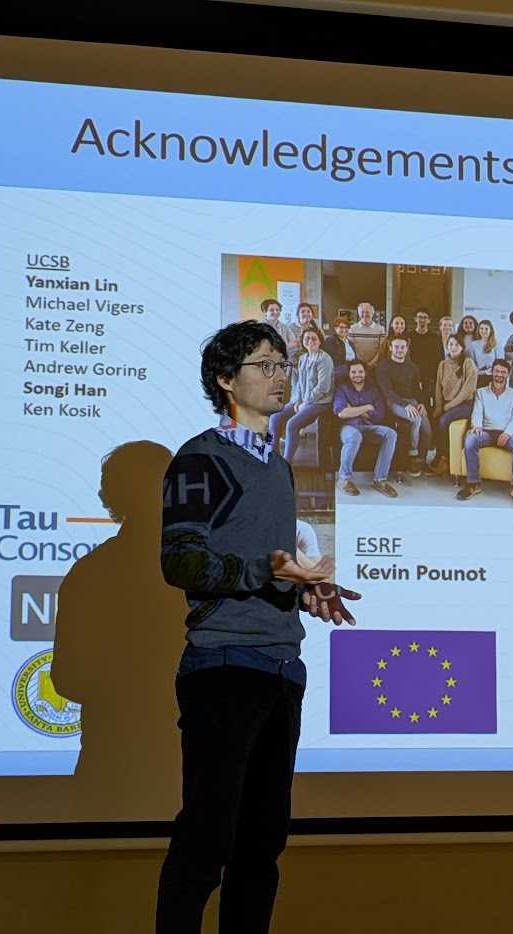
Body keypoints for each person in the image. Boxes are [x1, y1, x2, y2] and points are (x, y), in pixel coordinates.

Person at [155, 319, 360, 934]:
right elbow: (180, 562)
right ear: (225, 380)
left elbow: (269, 568)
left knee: (261, 847)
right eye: (264, 365)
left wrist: (307, 589)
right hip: (223, 668)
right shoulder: (201, 458)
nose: (279, 376)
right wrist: (268, 570)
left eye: (282, 364)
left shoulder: (280, 468)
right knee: (207, 838)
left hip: (282, 670)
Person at [456, 359, 513, 509]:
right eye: (497, 371)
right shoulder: (481, 392)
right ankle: (473, 484)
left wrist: (508, 433)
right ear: (492, 372)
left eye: (503, 372)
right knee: (470, 440)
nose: (499, 375)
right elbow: (477, 411)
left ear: (508, 374)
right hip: (486, 432)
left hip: (508, 434)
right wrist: (477, 426)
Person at [332, 361, 399, 497]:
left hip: (369, 426)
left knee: (391, 433)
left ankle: (380, 480)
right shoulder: (342, 389)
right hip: (349, 426)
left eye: (360, 372)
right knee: (354, 436)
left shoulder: (374, 391)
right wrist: (367, 407)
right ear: (349, 374)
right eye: (354, 372)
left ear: (365, 373)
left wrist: (353, 410)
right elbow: (342, 413)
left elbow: (379, 416)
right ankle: (344, 480)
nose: (357, 375)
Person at [268, 328, 335, 462]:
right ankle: (274, 458)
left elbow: (323, 387)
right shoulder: (303, 358)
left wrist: (305, 403)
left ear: (320, 341)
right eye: (307, 339)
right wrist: (297, 400)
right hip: (303, 400)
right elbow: (299, 383)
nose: (310, 341)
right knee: (275, 418)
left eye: (314, 338)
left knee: (292, 424)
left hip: (320, 402)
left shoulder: (325, 359)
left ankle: (287, 462)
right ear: (303, 342)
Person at [374, 335, 435, 477]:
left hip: (411, 400)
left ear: (407, 349)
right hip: (393, 401)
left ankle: (421, 460)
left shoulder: (412, 367)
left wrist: (421, 404)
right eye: (396, 347)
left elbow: (417, 390)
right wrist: (405, 405)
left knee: (427, 428)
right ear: (390, 348)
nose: (399, 350)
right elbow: (387, 392)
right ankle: (412, 457)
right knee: (415, 419)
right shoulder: (383, 367)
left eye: (402, 347)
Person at [430, 334, 478, 475]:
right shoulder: (443, 364)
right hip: (447, 404)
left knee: (444, 420)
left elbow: (468, 389)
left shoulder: (468, 363)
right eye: (451, 344)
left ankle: (446, 459)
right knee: (434, 418)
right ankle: (439, 452)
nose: (453, 347)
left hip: (465, 404)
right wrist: (438, 407)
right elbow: (438, 389)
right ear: (447, 346)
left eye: (457, 345)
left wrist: (451, 405)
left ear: (462, 347)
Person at [407, 306, 444, 408]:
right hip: (412, 376)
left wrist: (435, 376)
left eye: (425, 317)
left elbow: (440, 358)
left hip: (429, 378)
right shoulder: (408, 337)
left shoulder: (435, 338)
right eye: (419, 317)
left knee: (428, 404)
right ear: (415, 319)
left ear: (429, 320)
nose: (422, 320)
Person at [322, 315, 358, 383]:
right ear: (336, 328)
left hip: (350, 368)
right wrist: (350, 366)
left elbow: (356, 358)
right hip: (338, 370)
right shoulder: (331, 340)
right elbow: (333, 360)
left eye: (346, 327)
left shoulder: (350, 343)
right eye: (341, 327)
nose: (344, 330)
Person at [467, 318, 501, 387]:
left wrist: (486, 372)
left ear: (490, 330)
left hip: (492, 375)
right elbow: (471, 361)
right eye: (481, 328)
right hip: (477, 376)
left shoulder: (497, 344)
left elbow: (500, 363)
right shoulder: (474, 344)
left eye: (486, 329)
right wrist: (478, 371)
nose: (483, 331)